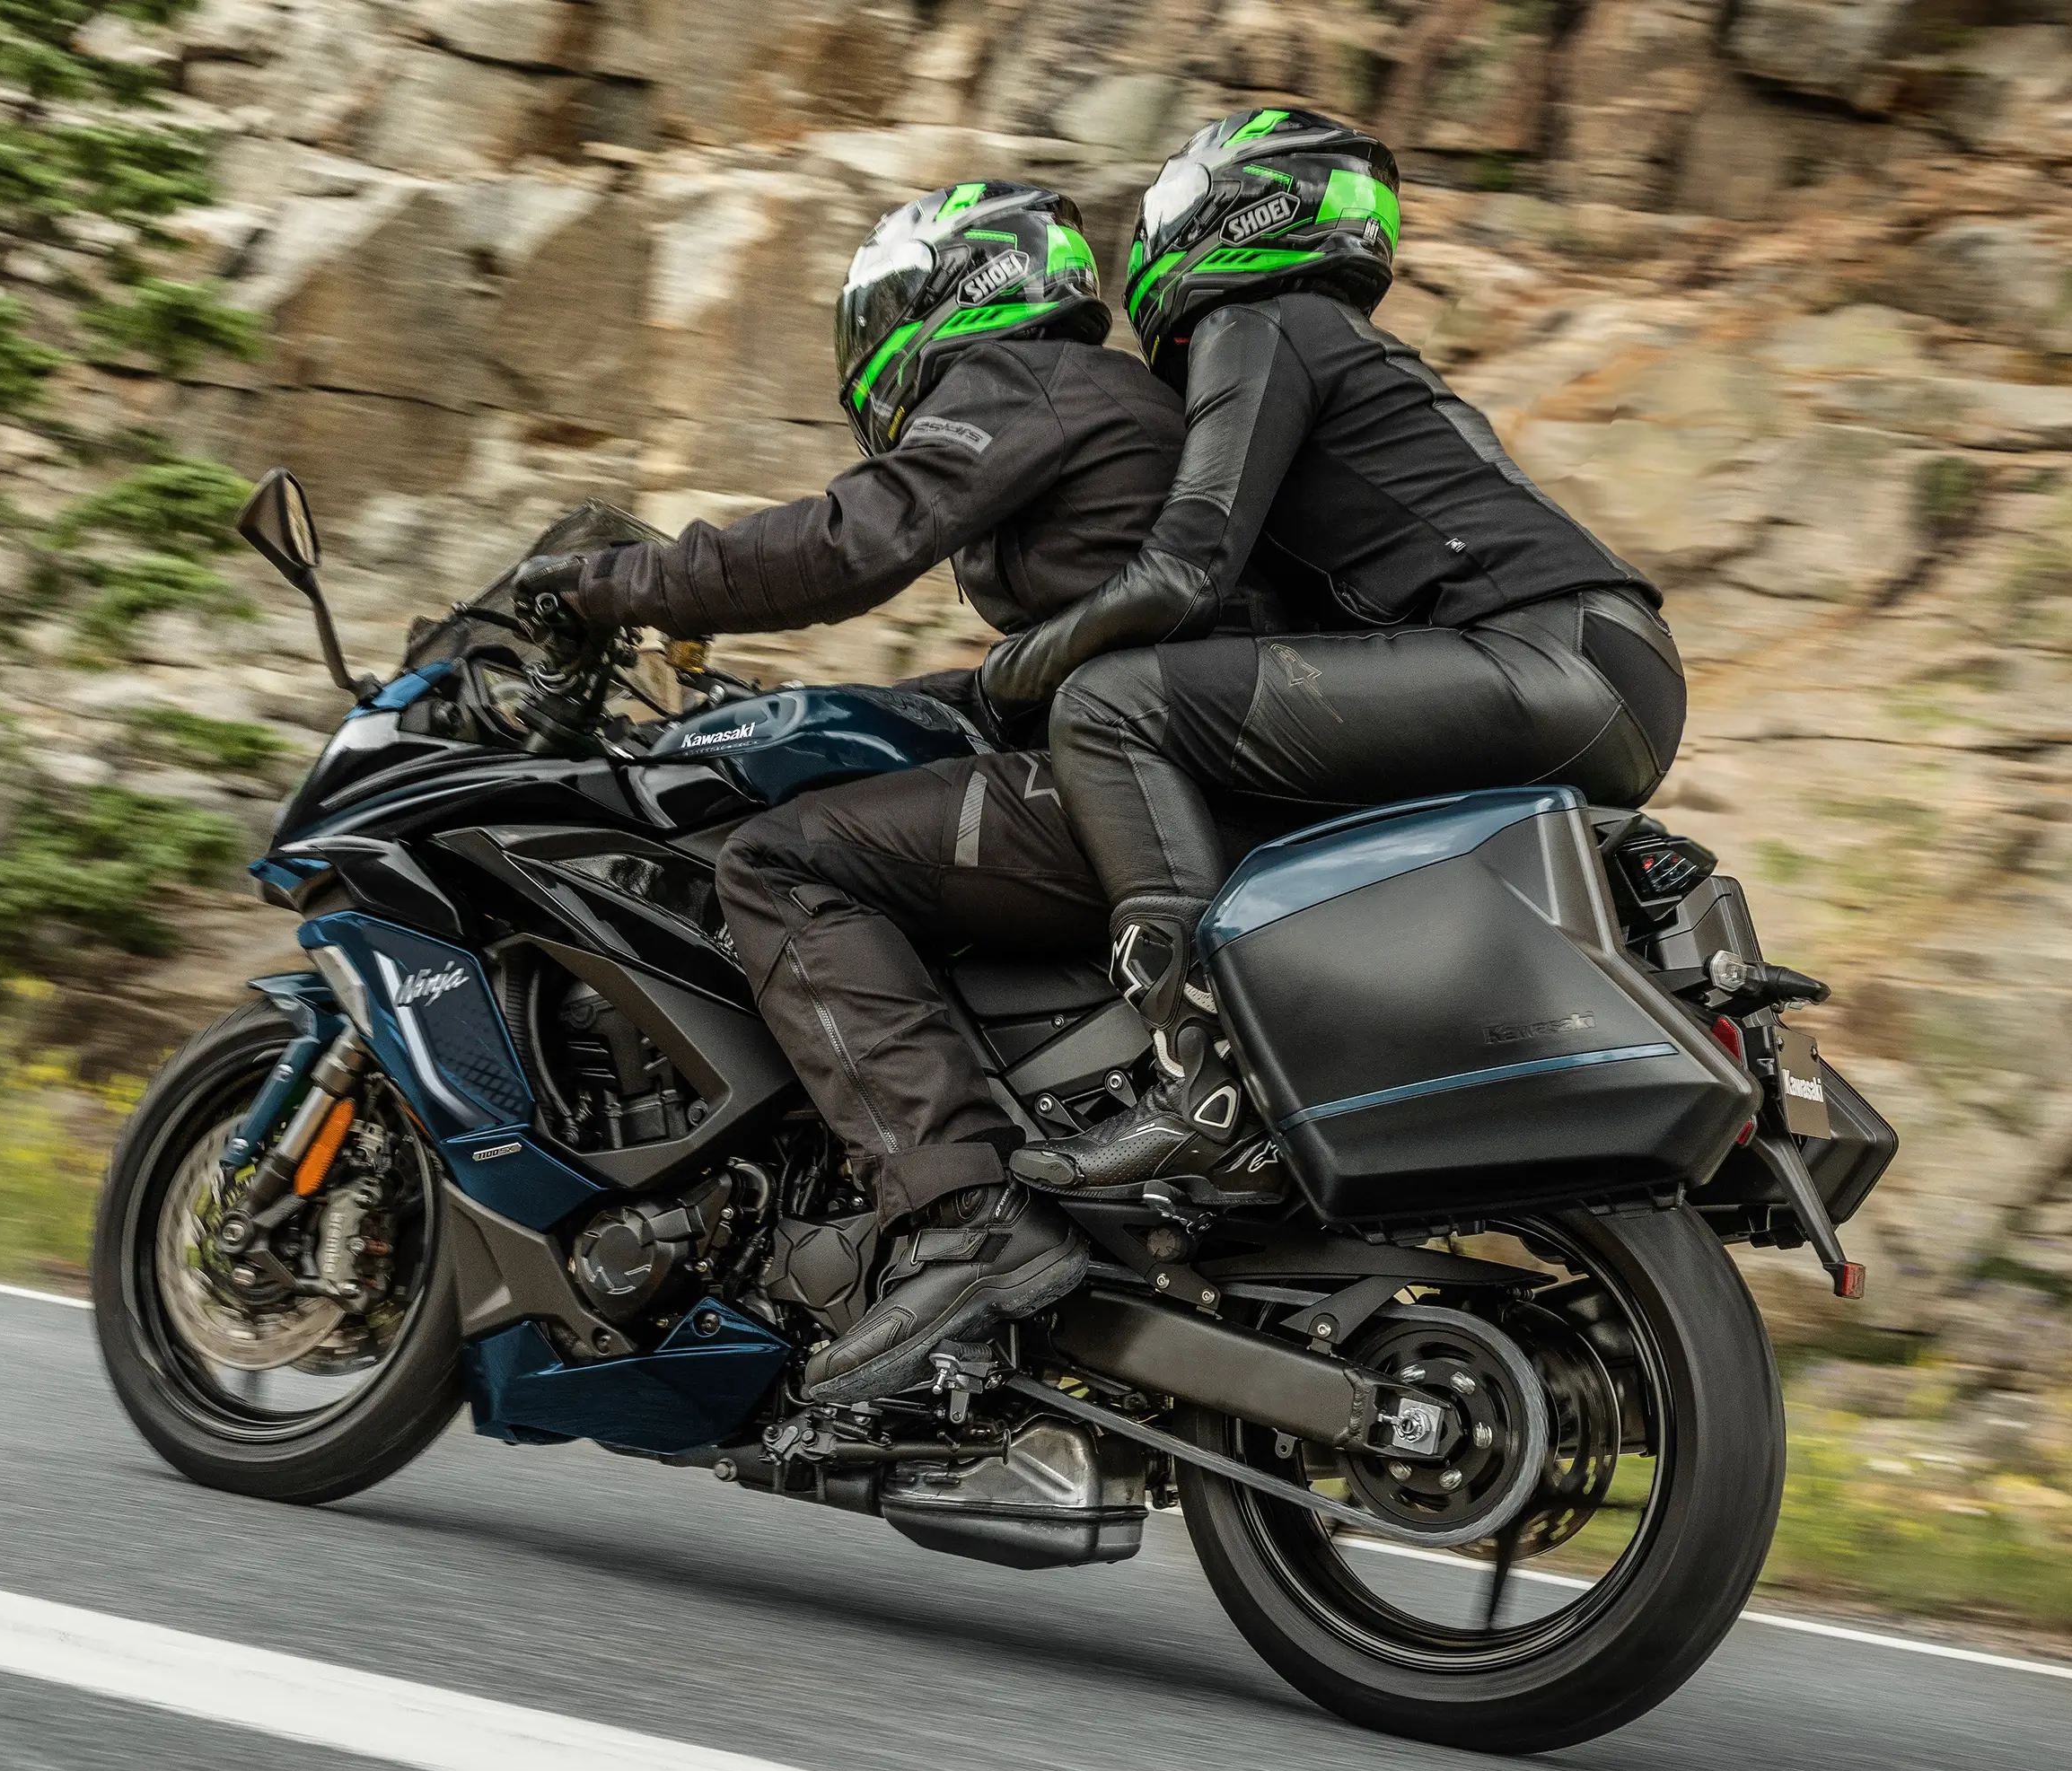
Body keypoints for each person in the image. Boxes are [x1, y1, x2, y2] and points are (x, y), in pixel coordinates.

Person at [505, 182, 1193, 1403]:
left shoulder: (1023, 382)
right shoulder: (1111, 399)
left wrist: (613, 583)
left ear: (947, 295)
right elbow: (1069, 661)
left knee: (778, 862)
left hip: (1137, 787)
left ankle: (965, 1211)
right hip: (1166, 769)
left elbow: (845, 545)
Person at [973, 110, 1688, 1192]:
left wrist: (1005, 679)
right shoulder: (1332, 342)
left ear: (1233, 214)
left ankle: (1201, 1079)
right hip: (1606, 668)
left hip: (1551, 661)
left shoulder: (1261, 324)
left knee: (1114, 706)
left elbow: (1179, 576)